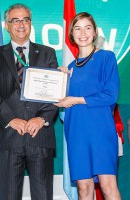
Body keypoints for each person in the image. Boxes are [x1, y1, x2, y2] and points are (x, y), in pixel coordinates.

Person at [0, 3, 59, 200]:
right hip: (10, 136)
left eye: (25, 19)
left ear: (31, 24)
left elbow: (55, 92)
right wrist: (10, 120)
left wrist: (41, 119)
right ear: (6, 25)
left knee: (43, 195)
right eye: (15, 20)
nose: (21, 24)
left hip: (40, 135)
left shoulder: (47, 53)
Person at [55, 12, 121, 200]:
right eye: (77, 28)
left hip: (100, 129)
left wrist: (75, 99)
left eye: (87, 28)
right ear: (71, 34)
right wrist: (60, 81)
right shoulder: (68, 68)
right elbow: (60, 100)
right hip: (76, 131)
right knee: (83, 188)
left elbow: (110, 95)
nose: (82, 33)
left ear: (94, 33)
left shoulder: (106, 57)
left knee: (108, 186)